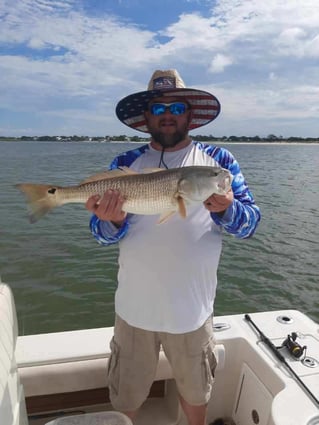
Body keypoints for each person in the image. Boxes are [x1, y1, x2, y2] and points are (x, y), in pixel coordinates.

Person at [86, 69, 261, 425]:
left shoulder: (219, 162)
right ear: (147, 117)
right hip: (133, 311)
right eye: (158, 107)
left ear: (190, 115)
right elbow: (100, 234)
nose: (168, 114)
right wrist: (112, 220)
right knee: (126, 398)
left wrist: (228, 210)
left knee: (197, 396)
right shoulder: (124, 164)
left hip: (193, 312)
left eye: (177, 106)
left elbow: (251, 224)